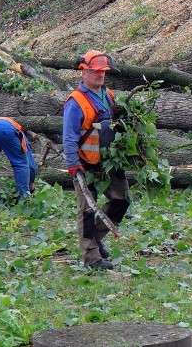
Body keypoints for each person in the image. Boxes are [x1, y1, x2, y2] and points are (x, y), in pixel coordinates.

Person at [63, 50, 129, 270]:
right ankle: (92, 258)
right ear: (84, 72)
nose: (100, 75)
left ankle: (97, 238)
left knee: (121, 199)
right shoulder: (76, 101)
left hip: (109, 160)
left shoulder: (108, 95)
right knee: (87, 210)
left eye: (103, 71)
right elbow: (69, 136)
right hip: (85, 162)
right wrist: (73, 164)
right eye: (95, 71)